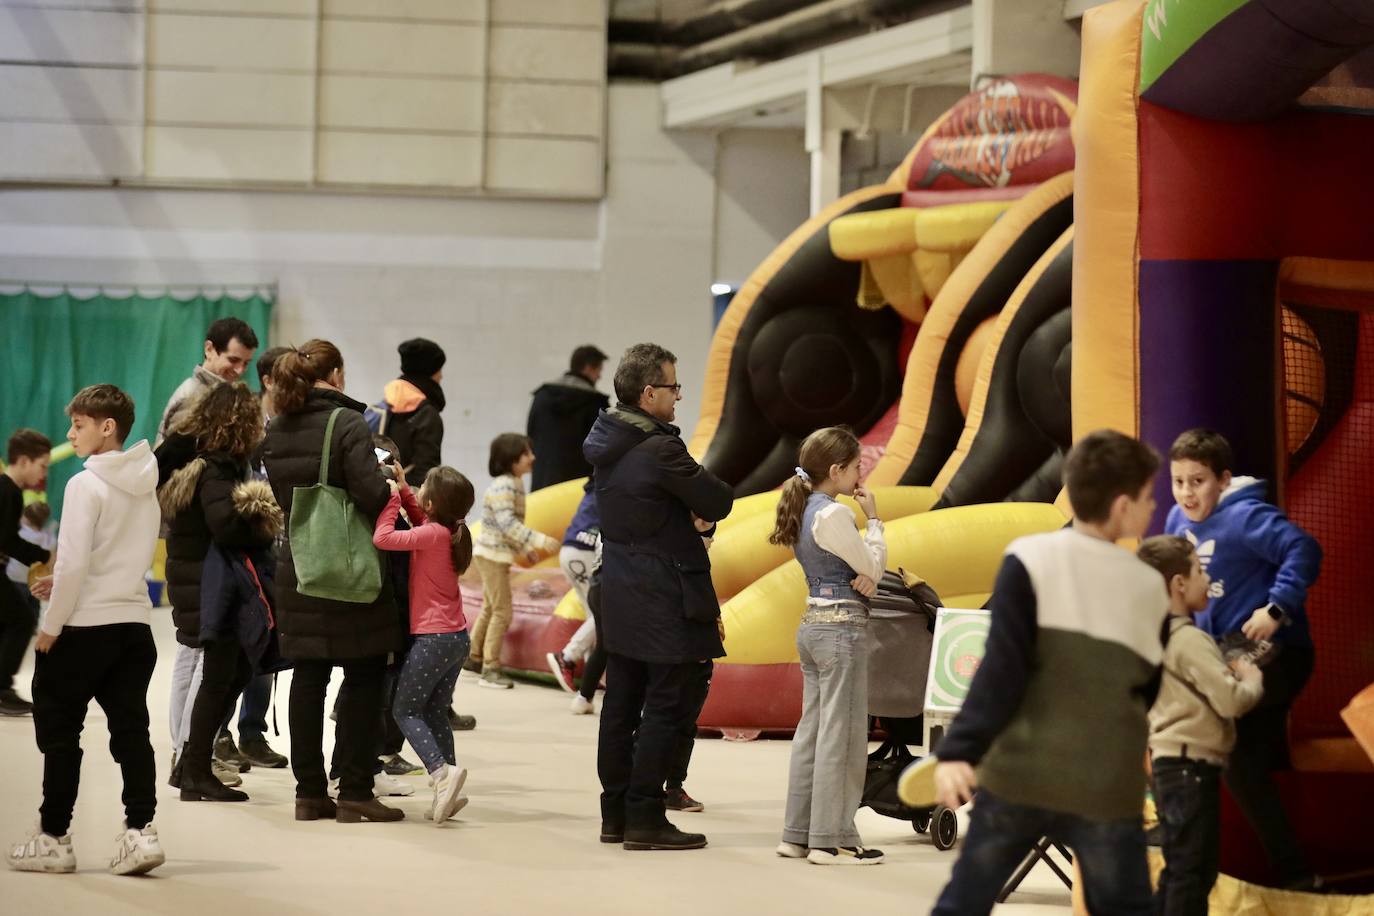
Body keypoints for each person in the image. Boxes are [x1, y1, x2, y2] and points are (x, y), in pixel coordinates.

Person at [908, 430, 1167, 915]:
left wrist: (960, 749)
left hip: (1021, 774)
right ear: (1121, 506)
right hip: (1106, 782)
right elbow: (1146, 688)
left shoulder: (1029, 559)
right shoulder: (1149, 585)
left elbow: (1001, 670)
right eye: (1148, 498)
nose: (1153, 508)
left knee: (966, 899)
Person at [6, 385, 165, 875]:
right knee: (132, 731)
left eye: (78, 424)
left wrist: (50, 627)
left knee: (59, 734)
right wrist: (70, 579)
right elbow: (110, 557)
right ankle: (141, 833)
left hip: (83, 628)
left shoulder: (84, 484)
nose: (70, 434)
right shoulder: (146, 482)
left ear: (107, 427)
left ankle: (53, 837)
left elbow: (74, 561)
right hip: (134, 627)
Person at [583, 342, 733, 852]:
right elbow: (717, 499)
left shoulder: (607, 442)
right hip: (666, 591)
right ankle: (647, 816)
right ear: (649, 393)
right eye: (673, 387)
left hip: (621, 586)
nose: (679, 396)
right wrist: (692, 513)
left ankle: (616, 814)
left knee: (621, 704)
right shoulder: (661, 448)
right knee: (667, 706)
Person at [1164, 428, 1323, 890]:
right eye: (1178, 481)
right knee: (1246, 755)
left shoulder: (1246, 517)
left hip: (1279, 650)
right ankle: (1279, 868)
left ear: (1223, 480)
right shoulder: (1177, 520)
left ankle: (1293, 872)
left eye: (1198, 481)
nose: (1187, 493)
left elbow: (1303, 549)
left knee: (1223, 738)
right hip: (1224, 652)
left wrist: (1276, 608)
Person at [261, 339, 405, 824]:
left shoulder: (275, 427)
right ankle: (356, 790)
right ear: (337, 374)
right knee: (364, 675)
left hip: (299, 564)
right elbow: (367, 492)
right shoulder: (345, 423)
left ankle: (309, 793)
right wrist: (389, 482)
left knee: (308, 676)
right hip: (348, 567)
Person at [769, 426, 887, 865]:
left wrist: (865, 575)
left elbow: (863, 571)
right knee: (845, 734)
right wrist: (873, 521)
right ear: (836, 471)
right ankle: (832, 838)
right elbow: (873, 565)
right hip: (842, 630)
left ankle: (797, 834)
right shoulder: (834, 515)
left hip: (814, 624)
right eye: (857, 467)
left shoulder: (804, 508)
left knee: (813, 733)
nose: (861, 475)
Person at [158, 382, 279, 803]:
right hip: (212, 588)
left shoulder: (201, 465)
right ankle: (194, 770)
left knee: (234, 671)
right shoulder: (215, 467)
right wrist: (261, 508)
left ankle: (191, 765)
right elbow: (225, 524)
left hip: (200, 585)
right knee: (217, 678)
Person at [1138, 535, 1264, 915]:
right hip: (1190, 771)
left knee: (1184, 871)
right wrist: (1251, 678)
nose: (1206, 578)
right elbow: (1231, 701)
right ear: (1179, 583)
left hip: (1170, 769)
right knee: (1192, 873)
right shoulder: (1189, 639)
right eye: (1199, 570)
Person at [373, 464, 475, 825]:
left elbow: (383, 538)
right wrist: (403, 489)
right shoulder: (449, 531)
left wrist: (389, 502)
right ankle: (448, 787)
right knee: (434, 711)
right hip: (457, 638)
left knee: (405, 711)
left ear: (431, 502)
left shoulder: (430, 534)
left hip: (432, 639)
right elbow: (421, 519)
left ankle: (440, 774)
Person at [468, 433, 558, 689]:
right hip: (492, 556)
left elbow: (506, 527)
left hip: (493, 554)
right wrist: (538, 541)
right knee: (502, 612)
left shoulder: (514, 483)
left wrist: (525, 548)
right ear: (511, 459)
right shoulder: (506, 485)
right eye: (527, 453)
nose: (533, 457)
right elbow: (508, 524)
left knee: (489, 607)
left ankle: (473, 656)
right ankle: (490, 667)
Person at [1, 428, 52, 716]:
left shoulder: (10, 491)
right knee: (22, 619)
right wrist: (44, 555)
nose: (43, 474)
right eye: (41, 466)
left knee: (8, 623)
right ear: (23, 461)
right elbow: (6, 540)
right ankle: (2, 688)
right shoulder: (8, 490)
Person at [157, 317, 259, 445]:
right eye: (233, 360)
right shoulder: (191, 396)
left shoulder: (230, 395)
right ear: (209, 349)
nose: (239, 370)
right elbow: (174, 457)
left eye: (245, 363)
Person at [527, 344, 610, 490]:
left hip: (542, 485)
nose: (599, 376)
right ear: (588, 368)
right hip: (577, 489)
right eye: (598, 370)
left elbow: (530, 436)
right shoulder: (595, 403)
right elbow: (602, 449)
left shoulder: (542, 396)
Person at [545, 481, 600, 696]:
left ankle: (591, 677)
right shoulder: (610, 486)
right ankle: (567, 657)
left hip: (570, 551)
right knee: (604, 615)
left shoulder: (594, 488)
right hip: (584, 552)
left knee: (593, 614)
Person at [380, 338, 447, 488]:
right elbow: (427, 473)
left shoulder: (383, 406)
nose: (441, 376)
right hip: (408, 501)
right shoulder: (428, 415)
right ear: (428, 371)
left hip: (378, 494)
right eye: (439, 370)